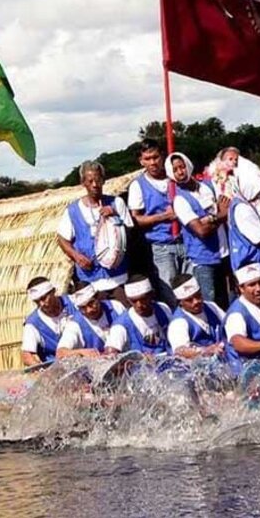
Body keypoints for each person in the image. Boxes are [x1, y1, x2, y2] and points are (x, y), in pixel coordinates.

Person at [56, 160, 133, 297]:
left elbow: (130, 233)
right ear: (83, 182)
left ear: (103, 181)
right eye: (90, 181)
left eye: (98, 180)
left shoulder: (117, 203)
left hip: (118, 278)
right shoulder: (73, 210)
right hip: (90, 280)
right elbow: (62, 239)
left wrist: (115, 216)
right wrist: (77, 256)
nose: (95, 185)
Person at [127, 139, 186, 305]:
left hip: (187, 241)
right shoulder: (138, 186)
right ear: (141, 161)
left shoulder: (175, 178)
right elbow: (136, 219)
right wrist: (164, 217)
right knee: (170, 293)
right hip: (161, 246)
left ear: (162, 156)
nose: (152, 162)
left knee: (190, 290)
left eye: (155, 157)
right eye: (147, 159)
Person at [168, 151, 230, 308]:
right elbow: (201, 230)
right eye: (175, 170)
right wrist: (220, 216)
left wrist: (211, 219)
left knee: (229, 299)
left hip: (225, 252)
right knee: (209, 304)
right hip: (203, 258)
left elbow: (228, 205)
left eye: (182, 167)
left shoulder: (208, 186)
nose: (180, 172)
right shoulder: (180, 200)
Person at [105, 276, 173, 356]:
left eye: (143, 299)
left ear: (151, 295)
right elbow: (110, 353)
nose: (139, 305)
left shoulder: (163, 308)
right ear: (128, 300)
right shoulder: (121, 325)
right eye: (134, 301)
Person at [167, 273, 227, 359]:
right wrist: (206, 350)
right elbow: (180, 352)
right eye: (189, 300)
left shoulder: (211, 306)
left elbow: (230, 324)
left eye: (198, 296)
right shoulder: (178, 323)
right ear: (180, 302)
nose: (196, 302)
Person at [56, 284, 124, 358]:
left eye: (91, 303)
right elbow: (60, 353)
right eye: (83, 308)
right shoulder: (75, 324)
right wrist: (81, 352)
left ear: (98, 297)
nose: (89, 310)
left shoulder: (116, 307)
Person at [20, 277, 71, 367]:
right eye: (37, 301)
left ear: (53, 291)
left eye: (43, 298)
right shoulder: (33, 323)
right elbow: (27, 355)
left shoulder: (73, 304)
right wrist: (42, 370)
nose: (41, 304)